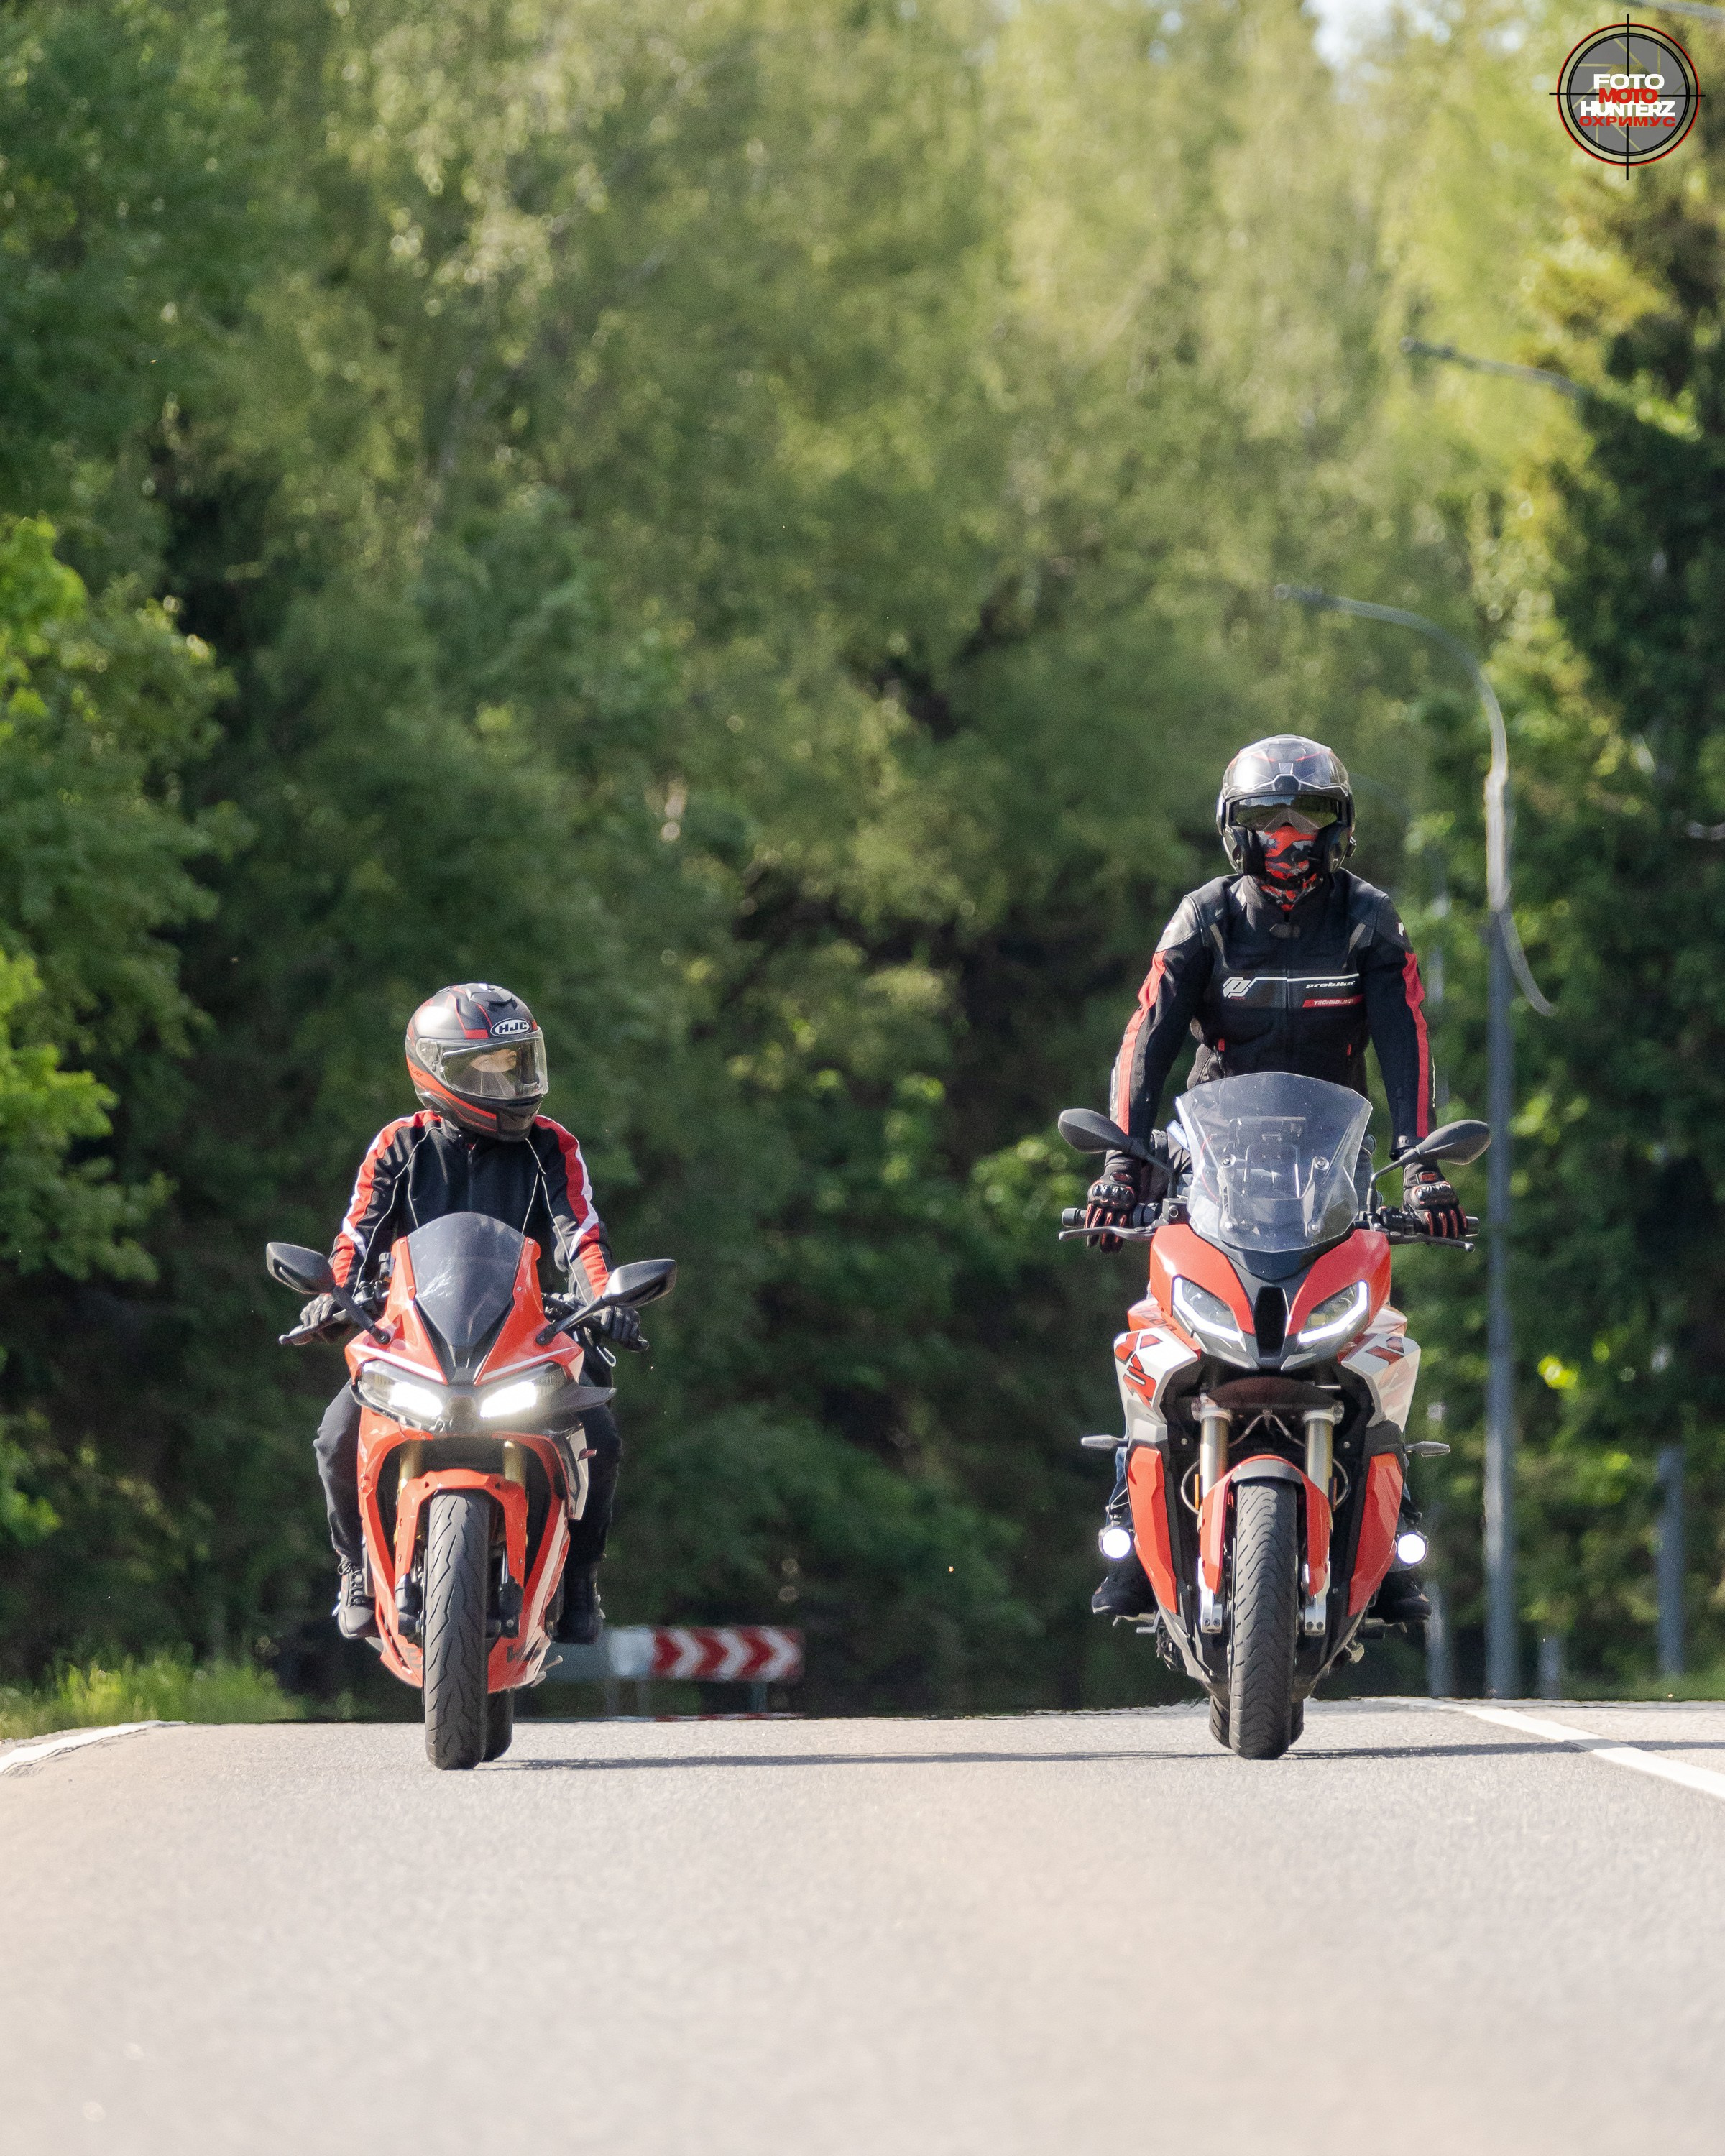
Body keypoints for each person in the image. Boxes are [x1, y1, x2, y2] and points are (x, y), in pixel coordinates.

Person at [1086, 734, 1460, 1623]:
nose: (1291, 839)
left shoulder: (1371, 922)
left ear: (1342, 830)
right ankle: (1130, 1527)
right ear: (1236, 832)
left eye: (1312, 818)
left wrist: (1425, 1172)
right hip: (1215, 1163)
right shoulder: (1204, 919)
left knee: (1378, 1340)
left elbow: (1407, 1047)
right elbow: (1148, 1043)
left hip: (1334, 1170)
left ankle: (1391, 1525)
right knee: (1156, 1333)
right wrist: (1119, 1165)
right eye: (1269, 820)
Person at [298, 983, 638, 1644]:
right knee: (336, 1436)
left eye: (515, 1065)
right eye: (487, 1068)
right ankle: (356, 1569)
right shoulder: (398, 1145)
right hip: (413, 1340)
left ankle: (580, 1579)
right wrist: (333, 1295)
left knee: (601, 1434)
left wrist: (606, 1298)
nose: (508, 1083)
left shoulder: (551, 1146)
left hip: (524, 1337)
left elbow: (581, 1236)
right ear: (437, 1071)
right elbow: (355, 1235)